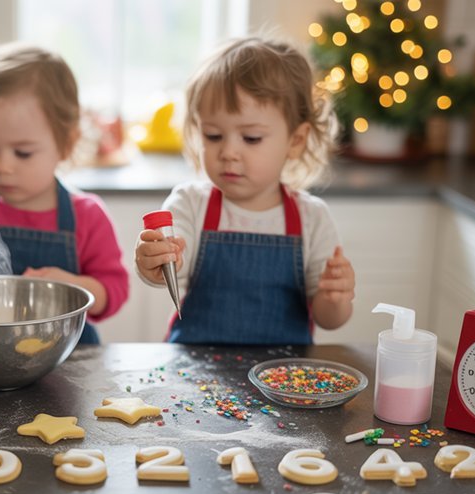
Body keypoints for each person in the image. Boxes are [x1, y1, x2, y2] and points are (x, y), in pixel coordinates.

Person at [134, 35, 355, 345]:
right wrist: (155, 261)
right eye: (213, 136)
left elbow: (329, 320)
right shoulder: (190, 204)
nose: (229, 152)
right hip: (197, 372)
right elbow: (168, 269)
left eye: (250, 138)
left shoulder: (312, 218)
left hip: (283, 381)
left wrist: (335, 298)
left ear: (296, 140)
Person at [0, 44, 129, 344]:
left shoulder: (87, 216)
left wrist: (75, 287)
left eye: (22, 153)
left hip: (69, 362)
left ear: (66, 143)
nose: (3, 166)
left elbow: (114, 289)